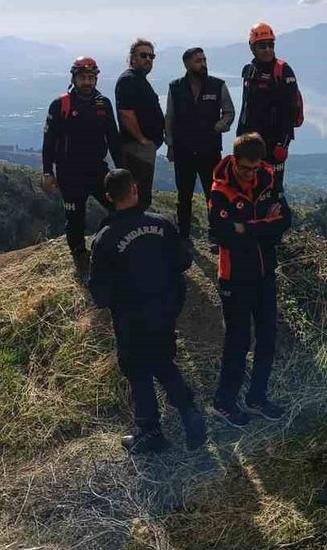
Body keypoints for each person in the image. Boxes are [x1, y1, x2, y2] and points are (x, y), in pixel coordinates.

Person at [89, 169, 207, 454]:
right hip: (164, 311)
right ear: (135, 189)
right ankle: (190, 414)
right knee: (163, 361)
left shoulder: (104, 239)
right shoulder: (161, 224)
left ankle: (149, 431)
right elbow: (183, 262)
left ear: (108, 198)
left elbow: (100, 294)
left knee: (138, 370)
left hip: (130, 318)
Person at [207, 133, 293, 426]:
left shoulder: (268, 178)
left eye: (255, 168)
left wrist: (249, 227)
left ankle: (257, 398)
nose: (250, 174)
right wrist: (265, 226)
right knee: (238, 341)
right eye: (245, 168)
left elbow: (285, 220)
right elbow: (223, 235)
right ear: (234, 160)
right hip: (234, 277)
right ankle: (224, 402)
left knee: (267, 338)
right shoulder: (220, 191)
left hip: (265, 272)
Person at [42, 56, 123, 278]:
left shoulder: (103, 104)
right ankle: (80, 257)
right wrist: (47, 172)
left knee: (118, 207)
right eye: (83, 77)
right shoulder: (60, 105)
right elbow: (49, 141)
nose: (87, 82)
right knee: (75, 218)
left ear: (96, 78)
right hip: (69, 172)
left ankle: (118, 247)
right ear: (74, 78)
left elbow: (113, 139)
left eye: (91, 77)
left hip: (98, 169)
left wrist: (122, 170)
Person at [164, 47, 235, 241]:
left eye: (204, 60)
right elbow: (170, 117)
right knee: (184, 196)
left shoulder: (217, 85)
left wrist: (219, 127)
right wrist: (170, 144)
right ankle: (183, 237)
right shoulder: (175, 87)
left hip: (210, 149)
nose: (203, 64)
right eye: (198, 61)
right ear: (187, 64)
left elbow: (229, 112)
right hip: (183, 150)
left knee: (214, 194)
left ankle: (216, 235)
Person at [235, 23, 303, 196]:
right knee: (248, 188)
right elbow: (245, 106)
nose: (267, 49)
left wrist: (284, 144)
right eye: (262, 46)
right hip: (250, 141)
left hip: (273, 144)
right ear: (252, 47)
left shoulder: (283, 70)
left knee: (273, 189)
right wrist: (239, 137)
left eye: (270, 45)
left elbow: (291, 110)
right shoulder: (248, 71)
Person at [116, 38, 165, 211]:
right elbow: (126, 113)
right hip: (136, 149)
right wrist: (142, 140)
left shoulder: (138, 79)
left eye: (152, 56)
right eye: (143, 55)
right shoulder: (129, 80)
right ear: (132, 59)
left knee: (142, 193)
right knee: (138, 195)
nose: (148, 59)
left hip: (142, 148)